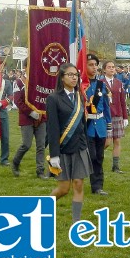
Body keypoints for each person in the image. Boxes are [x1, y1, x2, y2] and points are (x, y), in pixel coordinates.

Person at [46, 63, 93, 223]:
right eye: (70, 75)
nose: (74, 78)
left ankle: (76, 221)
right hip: (63, 148)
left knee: (79, 184)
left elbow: (82, 124)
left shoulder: (80, 96)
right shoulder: (53, 99)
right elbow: (52, 128)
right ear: (62, 77)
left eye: (76, 75)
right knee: (64, 188)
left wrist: (87, 144)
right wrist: (54, 155)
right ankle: (42, 208)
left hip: (80, 147)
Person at [10, 69, 48, 179]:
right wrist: (30, 112)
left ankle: (40, 170)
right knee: (26, 144)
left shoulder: (40, 80)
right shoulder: (18, 82)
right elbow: (18, 101)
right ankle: (16, 162)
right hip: (26, 118)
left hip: (41, 117)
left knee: (41, 145)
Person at [85, 54, 112, 196]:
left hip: (100, 126)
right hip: (87, 126)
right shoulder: (80, 85)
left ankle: (97, 186)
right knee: (92, 156)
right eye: (90, 64)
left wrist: (109, 130)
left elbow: (106, 108)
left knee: (99, 157)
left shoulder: (101, 85)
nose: (94, 67)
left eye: (96, 64)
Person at [101, 60, 129, 174]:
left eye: (113, 67)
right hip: (105, 116)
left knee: (117, 141)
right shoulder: (100, 82)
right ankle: (95, 157)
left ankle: (116, 166)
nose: (112, 69)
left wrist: (125, 117)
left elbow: (122, 101)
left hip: (117, 115)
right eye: (109, 67)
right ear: (104, 69)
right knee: (106, 142)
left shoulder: (118, 83)